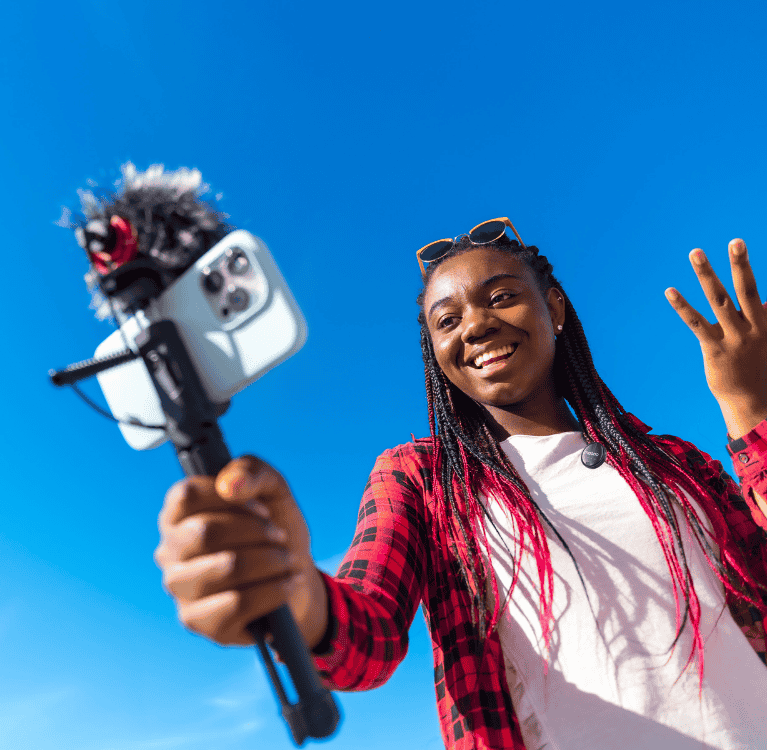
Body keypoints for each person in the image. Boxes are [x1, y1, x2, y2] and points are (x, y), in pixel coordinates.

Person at [153, 219, 767, 749]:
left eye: (500, 297)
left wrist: (750, 410)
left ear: (553, 308)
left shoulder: (675, 465)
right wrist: (292, 587)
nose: (475, 326)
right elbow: (369, 633)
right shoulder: (423, 479)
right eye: (447, 319)